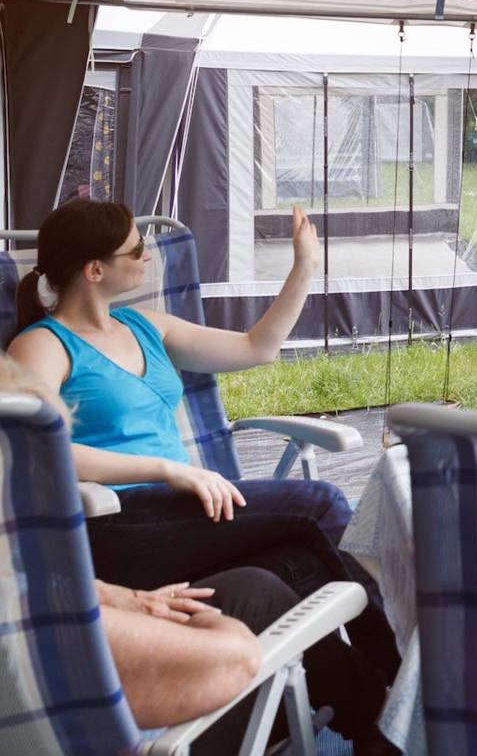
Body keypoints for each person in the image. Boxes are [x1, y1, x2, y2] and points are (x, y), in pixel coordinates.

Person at [6, 200, 399, 749]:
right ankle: (404, 679)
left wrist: (304, 268)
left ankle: (373, 721)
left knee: (296, 567)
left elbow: (257, 347)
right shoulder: (41, 345)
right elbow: (32, 449)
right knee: (320, 504)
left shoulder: (144, 326)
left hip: (176, 521)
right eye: (135, 250)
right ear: (94, 270)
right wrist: (166, 469)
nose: (147, 257)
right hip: (112, 523)